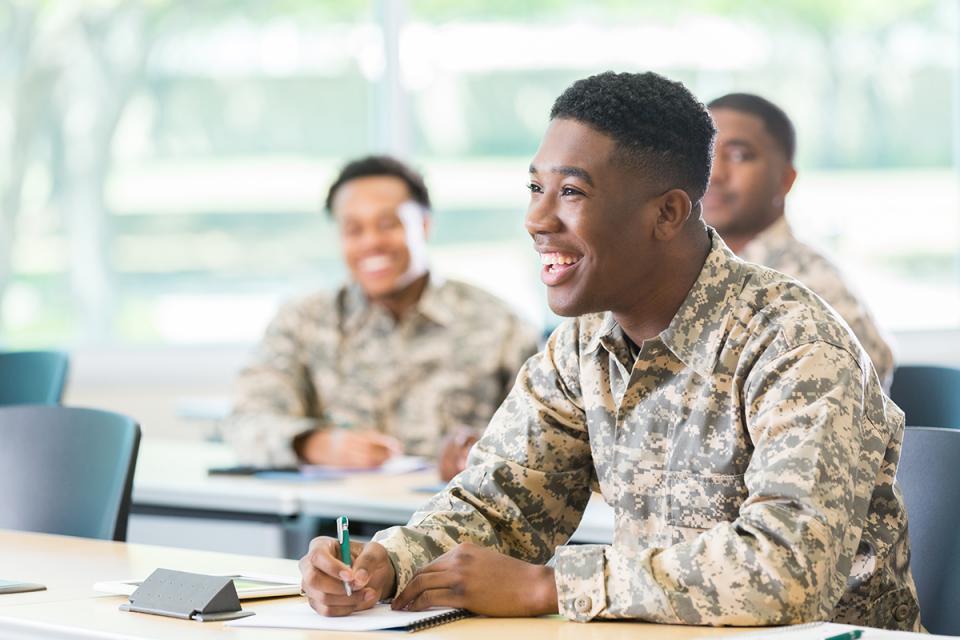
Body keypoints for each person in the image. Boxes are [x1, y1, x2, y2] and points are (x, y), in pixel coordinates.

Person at [299, 72, 919, 630]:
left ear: (668, 213)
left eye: (570, 192)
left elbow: (786, 571)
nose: (537, 219)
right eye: (534, 187)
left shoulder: (793, 341)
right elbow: (504, 500)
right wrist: (391, 561)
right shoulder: (581, 341)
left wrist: (550, 586)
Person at [222, 155, 538, 481]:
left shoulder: (501, 326)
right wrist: (312, 443)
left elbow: (548, 440)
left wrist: (482, 457)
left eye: (388, 224)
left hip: (463, 520)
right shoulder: (303, 321)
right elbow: (245, 419)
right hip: (337, 522)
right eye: (353, 229)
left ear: (425, 225)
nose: (371, 242)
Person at [703, 93, 895, 389]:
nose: (714, 174)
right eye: (704, 154)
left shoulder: (815, 287)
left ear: (785, 180)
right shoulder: (685, 272)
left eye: (739, 155)